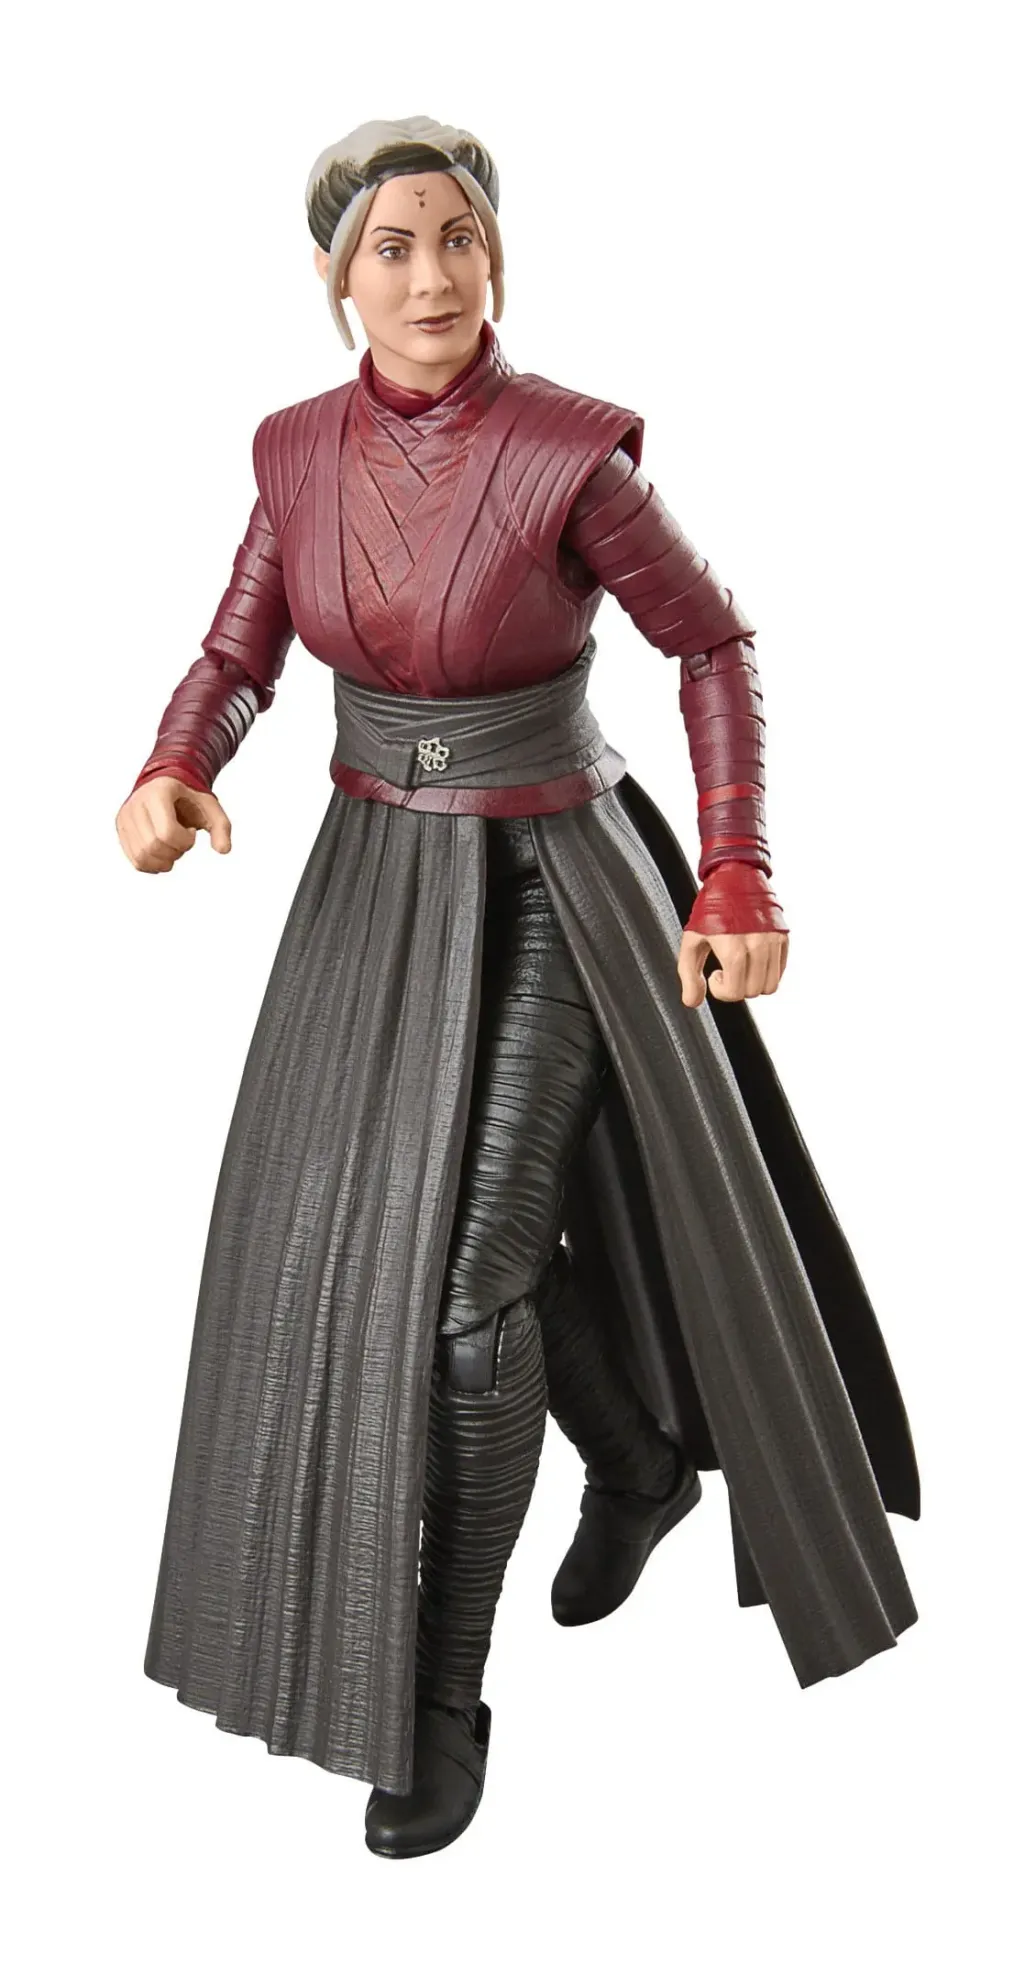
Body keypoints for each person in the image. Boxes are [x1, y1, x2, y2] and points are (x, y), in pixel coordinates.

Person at [116, 116, 919, 1861]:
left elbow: (710, 641)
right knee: (372, 1249)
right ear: (337, 276)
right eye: (393, 246)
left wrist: (737, 867)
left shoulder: (569, 453)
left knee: (469, 1297)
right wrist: (181, 761)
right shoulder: (297, 452)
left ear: (499, 255)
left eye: (459, 238)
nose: (432, 276)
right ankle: (633, 1458)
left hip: (554, 870)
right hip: (370, 890)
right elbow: (241, 645)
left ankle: (438, 1697)